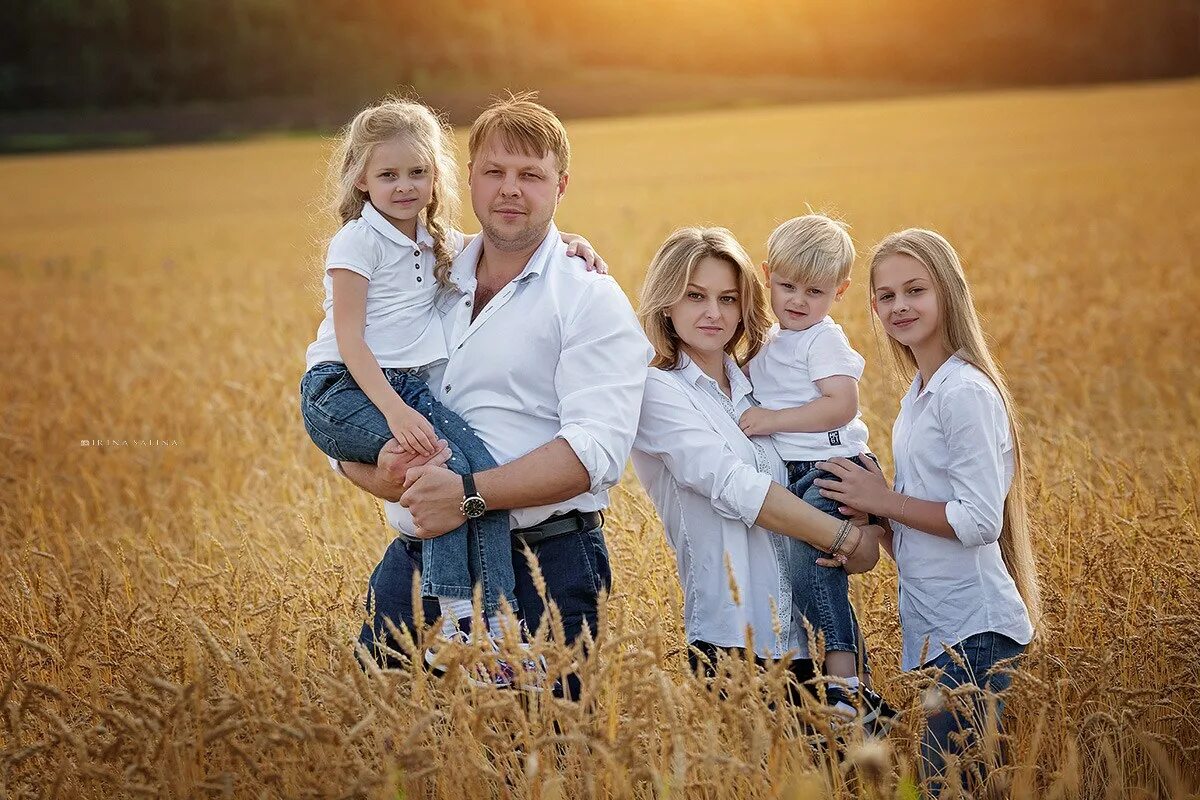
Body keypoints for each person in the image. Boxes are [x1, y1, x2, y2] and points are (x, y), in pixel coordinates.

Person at [333, 93, 652, 697]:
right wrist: (381, 475)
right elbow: (348, 393)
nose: (510, 189)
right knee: (388, 752)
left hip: (542, 571)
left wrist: (467, 498)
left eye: (530, 175)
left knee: (531, 762)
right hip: (415, 564)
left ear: (561, 185)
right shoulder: (423, 269)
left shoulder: (587, 296)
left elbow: (593, 453)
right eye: (494, 172)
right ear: (468, 179)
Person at [813, 228, 1039, 790]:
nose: (900, 306)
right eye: (886, 296)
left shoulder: (963, 392)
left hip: (976, 634)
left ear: (948, 293)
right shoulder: (920, 391)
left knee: (949, 787)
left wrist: (885, 500)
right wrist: (877, 518)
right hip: (941, 633)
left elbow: (979, 520)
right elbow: (924, 530)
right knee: (953, 785)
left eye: (915, 290)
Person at [630, 226, 884, 709]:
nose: (713, 313)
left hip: (803, 633)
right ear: (666, 302)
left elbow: (826, 446)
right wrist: (847, 539)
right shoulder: (658, 392)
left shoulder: (757, 383)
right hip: (736, 637)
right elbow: (735, 487)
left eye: (728, 298)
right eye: (695, 296)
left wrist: (869, 521)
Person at [735, 214, 896, 726]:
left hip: (832, 466)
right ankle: (860, 690)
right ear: (766, 275)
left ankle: (844, 682)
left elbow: (841, 405)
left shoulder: (822, 339)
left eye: (815, 291)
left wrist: (771, 421)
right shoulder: (772, 340)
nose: (798, 301)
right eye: (786, 287)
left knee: (815, 568)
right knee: (812, 573)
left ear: (840, 291)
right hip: (798, 471)